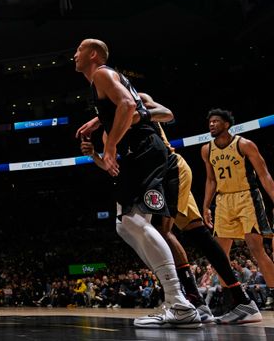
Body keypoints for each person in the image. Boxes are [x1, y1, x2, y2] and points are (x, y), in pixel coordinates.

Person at [80, 93, 261, 324]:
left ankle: (193, 302)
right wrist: (94, 155)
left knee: (163, 232)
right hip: (161, 175)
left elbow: (167, 114)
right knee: (198, 234)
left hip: (170, 169)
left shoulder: (136, 100)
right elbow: (113, 168)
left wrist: (132, 116)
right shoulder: (109, 133)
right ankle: (235, 301)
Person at [73, 39, 199, 328]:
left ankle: (179, 302)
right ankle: (174, 300)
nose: (74, 55)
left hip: (143, 148)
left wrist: (112, 144)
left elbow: (130, 105)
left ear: (93, 54)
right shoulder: (104, 94)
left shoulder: (102, 73)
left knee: (133, 221)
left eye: (78, 50)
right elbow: (110, 167)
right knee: (124, 225)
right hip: (137, 153)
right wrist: (97, 152)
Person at [201, 109, 274, 311]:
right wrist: (206, 205)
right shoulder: (207, 150)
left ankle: (272, 293)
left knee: (256, 248)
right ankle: (231, 299)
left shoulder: (244, 144)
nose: (211, 125)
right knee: (219, 254)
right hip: (223, 201)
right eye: (210, 122)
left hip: (247, 196)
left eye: (216, 121)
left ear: (226, 124)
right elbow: (211, 180)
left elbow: (264, 174)